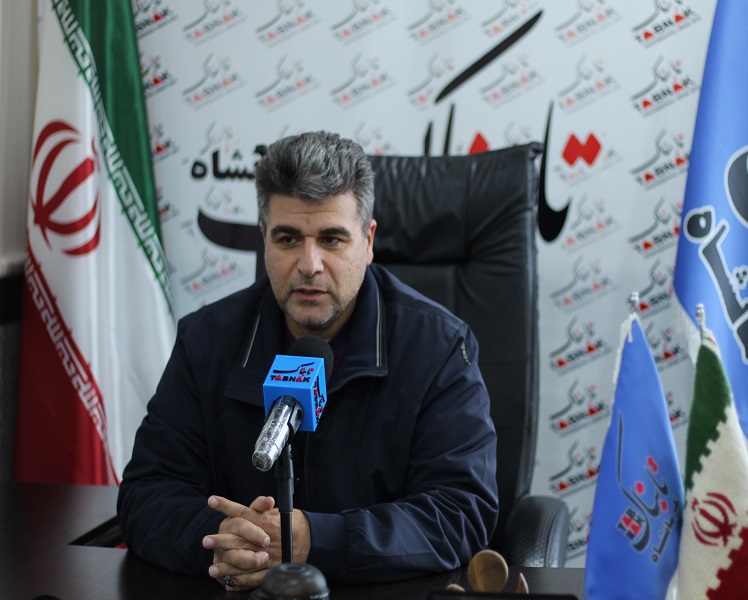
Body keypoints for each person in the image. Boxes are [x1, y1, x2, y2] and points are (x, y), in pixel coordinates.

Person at [117, 131, 498, 591]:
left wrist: (317, 540)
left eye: (332, 239)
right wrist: (222, 541)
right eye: (288, 239)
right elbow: (146, 494)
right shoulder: (206, 341)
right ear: (263, 239)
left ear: (368, 241)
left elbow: (461, 512)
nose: (309, 264)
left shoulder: (438, 348)